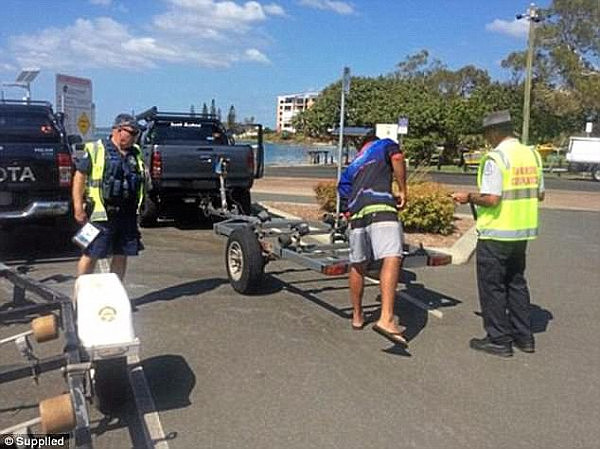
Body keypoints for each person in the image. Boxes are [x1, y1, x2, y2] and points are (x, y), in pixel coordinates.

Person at [452, 110, 545, 357]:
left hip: (496, 233)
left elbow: (492, 199)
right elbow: (540, 193)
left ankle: (499, 340)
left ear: (495, 132)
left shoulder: (497, 158)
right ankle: (524, 338)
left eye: (487, 134)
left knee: (492, 287)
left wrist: (468, 197)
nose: (487, 139)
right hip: (522, 233)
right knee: (516, 283)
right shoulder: (532, 154)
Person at [338, 134, 408, 346]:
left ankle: (357, 317)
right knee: (392, 255)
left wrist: (350, 214)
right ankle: (386, 318)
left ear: (361, 147)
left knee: (357, 264)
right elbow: (397, 158)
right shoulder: (384, 144)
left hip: (358, 215)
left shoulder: (352, 166)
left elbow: (344, 196)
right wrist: (403, 190)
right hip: (381, 208)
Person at [72, 113, 146, 281]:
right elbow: (79, 178)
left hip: (127, 214)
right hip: (101, 214)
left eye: (137, 134)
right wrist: (78, 207)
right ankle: (80, 294)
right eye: (132, 132)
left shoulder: (135, 153)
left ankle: (115, 293)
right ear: (117, 130)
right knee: (91, 253)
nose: (135, 137)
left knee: (122, 254)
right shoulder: (96, 149)